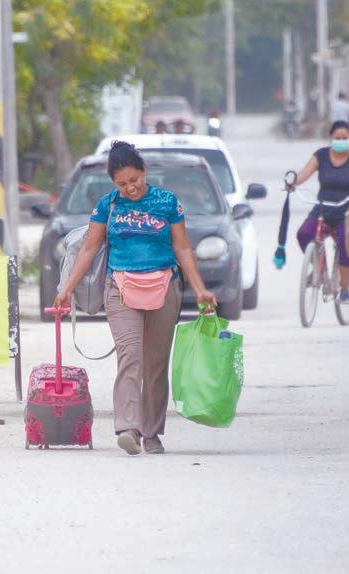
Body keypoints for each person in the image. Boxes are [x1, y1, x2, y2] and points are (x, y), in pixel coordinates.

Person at [55, 141, 216, 456]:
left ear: (144, 171)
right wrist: (67, 288)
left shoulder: (167, 202)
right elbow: (89, 247)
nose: (130, 188)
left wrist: (200, 289)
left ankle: (152, 433)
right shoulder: (107, 206)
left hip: (164, 287)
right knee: (130, 357)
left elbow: (182, 247)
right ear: (113, 183)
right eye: (122, 184)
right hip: (120, 288)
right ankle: (128, 428)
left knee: (156, 363)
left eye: (134, 179)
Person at [291, 121, 349, 304]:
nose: (341, 141)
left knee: (346, 244)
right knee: (304, 234)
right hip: (323, 207)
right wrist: (293, 183)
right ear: (330, 138)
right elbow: (304, 173)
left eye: (345, 138)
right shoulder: (321, 155)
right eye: (338, 138)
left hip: (347, 209)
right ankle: (318, 267)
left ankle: (344, 289)